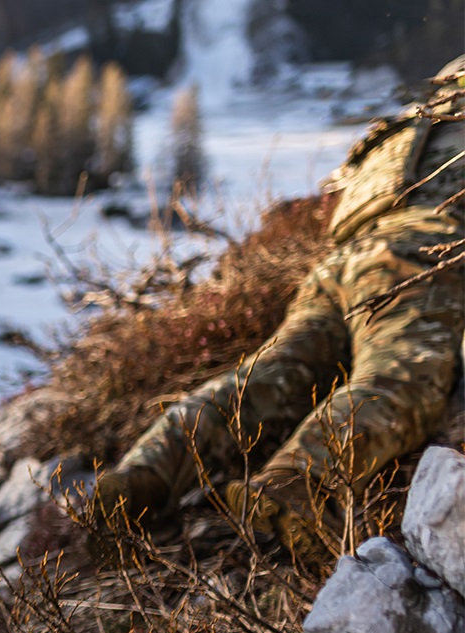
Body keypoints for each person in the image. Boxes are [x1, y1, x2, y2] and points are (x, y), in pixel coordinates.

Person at [88, 57, 465, 553]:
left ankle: (142, 475)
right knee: (399, 378)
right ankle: (294, 484)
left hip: (337, 267)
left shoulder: (405, 131)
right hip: (422, 256)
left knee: (267, 379)